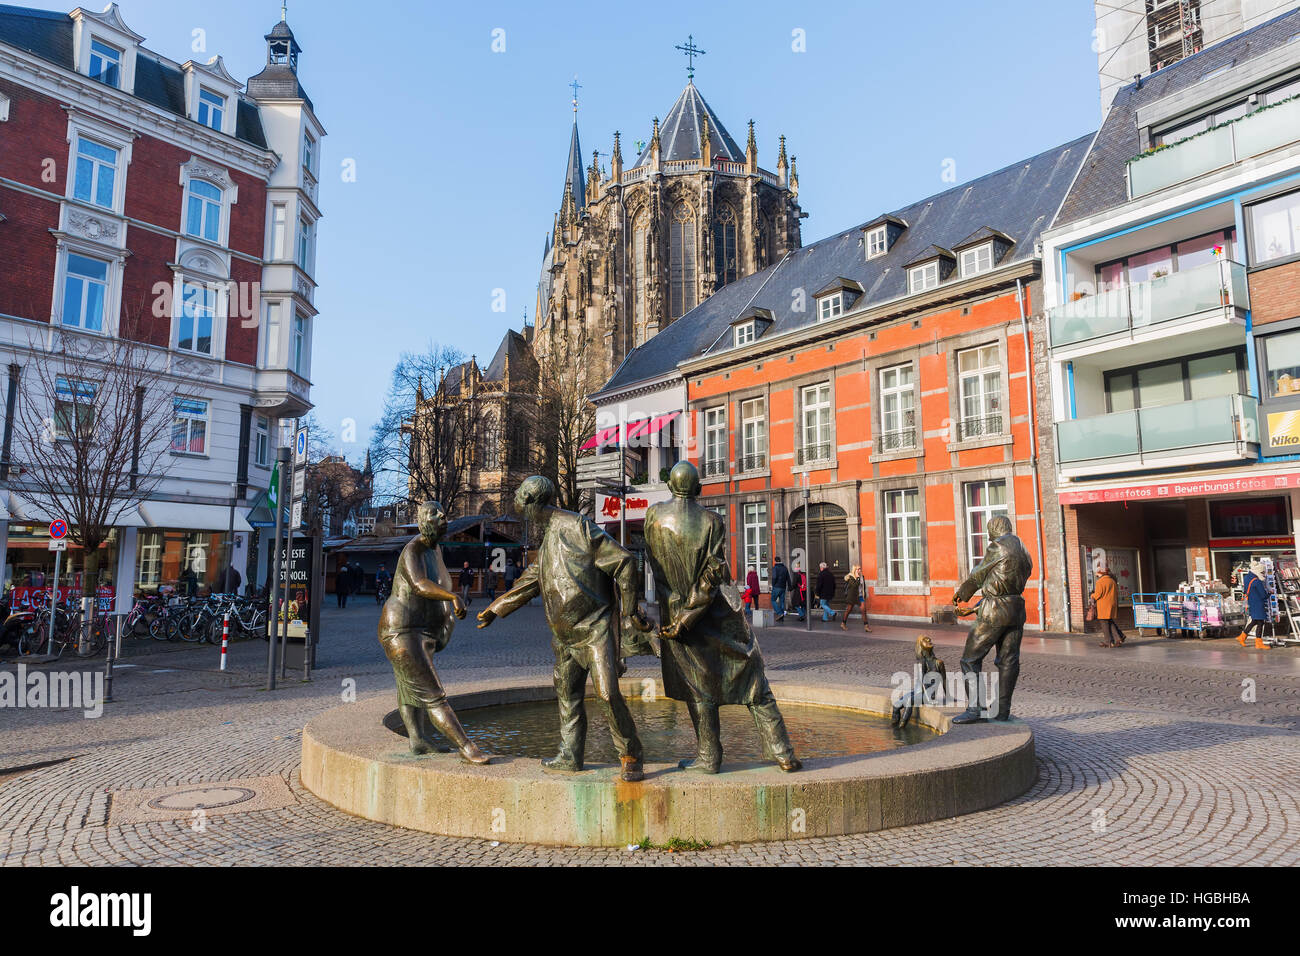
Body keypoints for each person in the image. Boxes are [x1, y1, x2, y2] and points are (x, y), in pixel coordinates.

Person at [477, 475, 647, 782]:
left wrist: (629, 613)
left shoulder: (576, 526)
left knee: (608, 694)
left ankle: (631, 753)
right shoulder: (546, 540)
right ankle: (570, 755)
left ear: (532, 504)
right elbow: (532, 580)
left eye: (520, 502)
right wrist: (496, 608)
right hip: (565, 637)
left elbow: (625, 562)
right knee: (568, 696)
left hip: (595, 629)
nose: (519, 508)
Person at [643, 462, 801, 774]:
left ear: (671, 487)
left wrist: (678, 615)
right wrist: (691, 614)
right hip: (710, 615)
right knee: (754, 679)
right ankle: (782, 752)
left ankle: (709, 756)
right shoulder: (712, 520)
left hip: (675, 616)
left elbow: (654, 564)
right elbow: (713, 573)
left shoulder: (653, 516)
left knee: (698, 689)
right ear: (698, 488)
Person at [378, 500, 489, 764]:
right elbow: (419, 584)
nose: (442, 516)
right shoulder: (413, 550)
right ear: (422, 520)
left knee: (409, 688)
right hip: (401, 629)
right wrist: (452, 597)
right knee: (433, 693)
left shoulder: (435, 549)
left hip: (421, 630)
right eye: (434, 513)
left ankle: (417, 740)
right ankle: (467, 746)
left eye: (443, 512)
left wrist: (446, 618)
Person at [951, 514, 1033, 723]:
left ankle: (975, 710)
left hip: (995, 610)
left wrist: (963, 593)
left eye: (989, 531)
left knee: (970, 659)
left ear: (996, 529)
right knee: (1009, 660)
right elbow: (1006, 578)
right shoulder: (1022, 548)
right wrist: (976, 606)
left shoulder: (998, 546)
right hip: (1016, 609)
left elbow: (979, 573)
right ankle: (1002, 710)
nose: (988, 536)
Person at [1236, 562, 1272, 650]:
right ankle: (1258, 643)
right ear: (1258, 571)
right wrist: (1270, 593)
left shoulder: (1247, 577)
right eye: (1262, 572)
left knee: (1255, 621)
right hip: (1258, 603)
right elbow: (1263, 595)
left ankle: (1242, 637)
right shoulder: (1257, 581)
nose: (1263, 574)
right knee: (1260, 622)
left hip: (1251, 602)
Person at [1091, 566, 1123, 647]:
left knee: (1104, 623)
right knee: (1109, 621)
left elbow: (1098, 594)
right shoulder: (1112, 581)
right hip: (1112, 605)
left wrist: (1092, 595)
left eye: (1097, 571)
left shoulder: (1100, 582)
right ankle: (1118, 638)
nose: (1096, 573)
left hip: (1103, 605)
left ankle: (1108, 642)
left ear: (1100, 572)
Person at [842, 565, 870, 633]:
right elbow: (855, 586)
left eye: (860, 569)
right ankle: (843, 623)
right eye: (858, 569)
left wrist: (864, 595)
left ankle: (866, 627)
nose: (859, 570)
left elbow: (863, 587)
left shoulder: (862, 577)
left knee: (863, 610)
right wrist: (857, 578)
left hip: (860, 596)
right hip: (852, 597)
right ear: (854, 570)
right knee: (849, 610)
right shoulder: (851, 577)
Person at [770, 556, 789, 621]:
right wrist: (789, 586)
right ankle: (782, 616)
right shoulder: (785, 568)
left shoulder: (775, 568)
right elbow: (788, 578)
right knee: (782, 602)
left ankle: (780, 613)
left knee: (773, 600)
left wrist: (773, 585)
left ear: (775, 561)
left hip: (777, 587)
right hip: (783, 587)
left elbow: (774, 577)